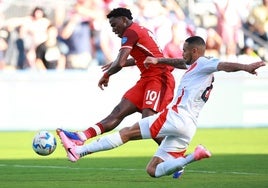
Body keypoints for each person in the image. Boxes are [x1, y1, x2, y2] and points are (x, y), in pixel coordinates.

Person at [57, 36, 265, 178]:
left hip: (175, 116)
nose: (182, 53)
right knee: (153, 170)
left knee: (127, 132)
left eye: (185, 50)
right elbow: (179, 63)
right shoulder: (195, 66)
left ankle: (79, 151)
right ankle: (194, 155)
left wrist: (245, 67)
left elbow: (223, 65)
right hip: (189, 127)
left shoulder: (204, 63)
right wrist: (158, 60)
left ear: (195, 51)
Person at [57, 7, 177, 147]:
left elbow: (119, 62)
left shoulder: (130, 33)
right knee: (119, 111)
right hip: (147, 79)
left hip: (160, 78)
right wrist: (118, 63)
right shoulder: (139, 29)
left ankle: (174, 156)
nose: (113, 30)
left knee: (148, 121)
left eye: (114, 25)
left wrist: (107, 75)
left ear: (124, 20)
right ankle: (81, 137)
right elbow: (142, 58)